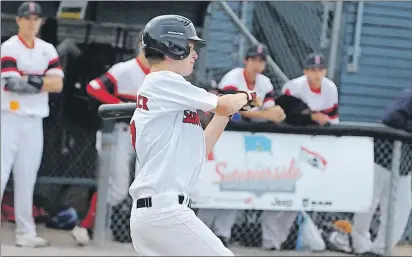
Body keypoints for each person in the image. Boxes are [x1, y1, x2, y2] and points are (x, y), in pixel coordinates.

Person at [129, 14, 261, 256]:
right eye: (190, 47)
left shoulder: (169, 95)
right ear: (173, 47)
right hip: (165, 210)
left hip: (158, 213)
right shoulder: (163, 81)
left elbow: (203, 147)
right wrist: (246, 97)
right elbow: (224, 104)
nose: (195, 54)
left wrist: (226, 113)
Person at [197, 43, 285, 246]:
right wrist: (263, 112)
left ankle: (223, 233)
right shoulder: (232, 78)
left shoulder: (265, 83)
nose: (257, 64)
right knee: (214, 183)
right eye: (253, 59)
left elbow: (270, 110)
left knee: (233, 186)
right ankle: (201, 230)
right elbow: (231, 109)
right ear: (246, 60)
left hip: (243, 141)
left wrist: (271, 112)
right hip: (221, 136)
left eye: (261, 60)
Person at [71, 33, 150, 245]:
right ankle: (85, 226)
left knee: (149, 188)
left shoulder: (161, 74)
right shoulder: (126, 68)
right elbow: (93, 87)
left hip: (146, 137)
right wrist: (118, 105)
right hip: (119, 134)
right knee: (116, 190)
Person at [260, 53, 339, 251]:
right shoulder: (294, 87)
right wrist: (312, 116)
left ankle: (281, 239)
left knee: (298, 196)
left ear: (325, 71)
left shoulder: (330, 88)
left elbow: (334, 119)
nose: (317, 74)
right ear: (305, 71)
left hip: (312, 146)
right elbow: (283, 116)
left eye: (320, 70)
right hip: (288, 144)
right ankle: (269, 241)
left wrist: (323, 119)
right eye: (312, 70)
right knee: (279, 191)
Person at [1, 1, 64, 247]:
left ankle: (25, 233)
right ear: (18, 20)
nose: (31, 22)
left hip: (34, 119)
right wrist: (41, 81)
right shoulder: (9, 46)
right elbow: (12, 85)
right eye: (26, 18)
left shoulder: (48, 49)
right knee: (1, 173)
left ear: (41, 21)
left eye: (35, 18)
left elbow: (57, 85)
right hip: (8, 117)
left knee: (27, 177)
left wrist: (28, 79)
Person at [352, 87, 412, 256]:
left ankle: (380, 249)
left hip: (403, 166)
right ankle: (360, 245)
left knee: (402, 207)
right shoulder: (410, 96)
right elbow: (391, 118)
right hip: (381, 157)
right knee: (367, 203)